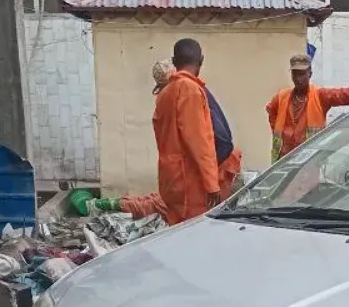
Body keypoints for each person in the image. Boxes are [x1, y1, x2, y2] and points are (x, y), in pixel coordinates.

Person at [82, 44, 244, 223]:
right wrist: (211, 184)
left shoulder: (165, 95)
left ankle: (104, 205)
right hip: (192, 179)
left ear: (175, 62)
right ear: (201, 60)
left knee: (173, 223)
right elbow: (199, 141)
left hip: (173, 179)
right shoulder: (189, 89)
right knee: (194, 230)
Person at [266, 53, 349, 161]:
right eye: (295, 74)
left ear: (310, 74)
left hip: (309, 163)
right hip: (283, 162)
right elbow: (271, 111)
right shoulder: (280, 97)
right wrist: (278, 131)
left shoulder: (320, 96)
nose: (298, 79)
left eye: (302, 74)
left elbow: (342, 95)